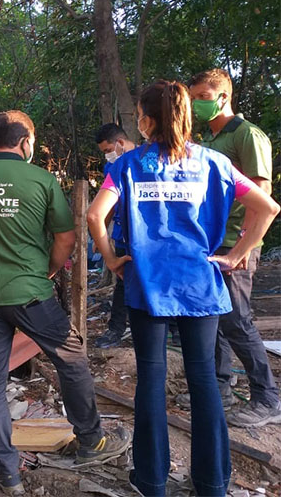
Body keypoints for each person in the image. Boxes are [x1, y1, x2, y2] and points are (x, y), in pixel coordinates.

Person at [87, 81, 279, 497]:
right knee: (204, 379)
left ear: (147, 120)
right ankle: (212, 484)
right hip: (200, 286)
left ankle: (152, 481)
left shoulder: (127, 166)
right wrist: (236, 254)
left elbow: (94, 216)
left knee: (151, 379)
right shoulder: (214, 163)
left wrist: (112, 258)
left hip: (147, 286)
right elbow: (268, 208)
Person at [0, 110, 130, 496]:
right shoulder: (40, 179)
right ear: (25, 142)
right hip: (30, 293)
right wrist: (47, 270)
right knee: (72, 357)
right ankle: (92, 441)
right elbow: (66, 238)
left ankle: (7, 474)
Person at [184, 68, 280, 426]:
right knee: (217, 317)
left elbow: (262, 197)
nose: (196, 105)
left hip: (237, 244)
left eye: (204, 98)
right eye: (193, 98)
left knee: (237, 319)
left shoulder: (247, 136)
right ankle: (220, 386)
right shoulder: (211, 140)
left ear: (224, 97)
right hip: (214, 242)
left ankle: (267, 397)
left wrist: (242, 250)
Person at [93, 123, 136, 348]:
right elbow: (105, 206)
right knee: (122, 282)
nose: (107, 155)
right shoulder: (110, 168)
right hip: (122, 234)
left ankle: (176, 329)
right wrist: (99, 234)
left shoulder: (144, 159)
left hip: (145, 235)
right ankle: (115, 329)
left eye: (107, 149)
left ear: (120, 143)